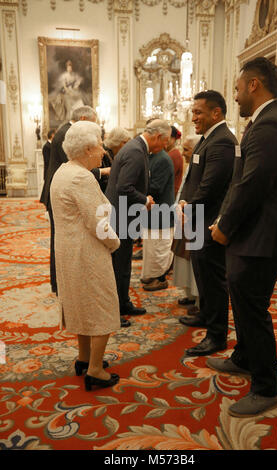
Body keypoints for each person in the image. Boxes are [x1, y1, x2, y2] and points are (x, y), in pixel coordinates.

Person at [209, 57, 277, 417]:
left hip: (262, 235)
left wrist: (225, 226)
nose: (235, 94)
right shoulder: (265, 121)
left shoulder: (272, 124)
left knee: (253, 308)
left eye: (237, 87)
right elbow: (242, 181)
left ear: (253, 85)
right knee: (242, 300)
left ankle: (265, 387)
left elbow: (253, 184)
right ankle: (245, 357)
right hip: (253, 232)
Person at [50, 120, 121, 391]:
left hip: (69, 249)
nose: (103, 150)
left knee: (81, 303)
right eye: (100, 145)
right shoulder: (81, 177)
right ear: (88, 148)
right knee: (102, 306)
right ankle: (95, 370)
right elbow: (98, 223)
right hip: (87, 251)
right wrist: (115, 244)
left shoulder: (63, 171)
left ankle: (83, 358)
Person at [178, 90, 237, 357]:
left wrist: (188, 206)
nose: (193, 118)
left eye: (198, 112)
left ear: (216, 113)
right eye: (193, 112)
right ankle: (205, 314)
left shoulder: (223, 140)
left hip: (209, 221)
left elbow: (212, 185)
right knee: (201, 271)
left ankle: (217, 336)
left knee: (213, 279)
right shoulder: (208, 138)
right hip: (197, 217)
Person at [106, 119, 171, 327]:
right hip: (120, 217)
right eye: (166, 141)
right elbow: (124, 187)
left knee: (124, 264)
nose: (166, 146)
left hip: (124, 216)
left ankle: (124, 304)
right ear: (158, 136)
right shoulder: (135, 151)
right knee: (118, 266)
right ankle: (114, 311)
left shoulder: (136, 147)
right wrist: (145, 199)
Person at [40, 105, 98, 294]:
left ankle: (60, 283)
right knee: (62, 239)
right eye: (92, 124)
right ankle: (61, 283)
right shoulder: (68, 133)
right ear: (82, 118)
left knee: (61, 238)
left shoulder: (65, 129)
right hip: (61, 191)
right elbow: (76, 165)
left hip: (58, 189)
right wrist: (100, 172)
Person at [141, 140, 175, 292]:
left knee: (160, 247)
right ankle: (152, 274)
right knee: (151, 246)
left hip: (161, 211)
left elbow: (156, 187)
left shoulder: (162, 159)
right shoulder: (152, 156)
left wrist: (136, 189)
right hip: (151, 210)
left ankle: (160, 279)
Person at [172, 135, 199, 308]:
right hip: (185, 216)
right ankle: (189, 294)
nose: (183, 153)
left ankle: (198, 300)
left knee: (194, 262)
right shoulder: (191, 165)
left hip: (195, 216)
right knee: (183, 259)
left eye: (187, 149)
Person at [91, 127, 131, 193]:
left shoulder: (115, 154)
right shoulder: (103, 154)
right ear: (116, 141)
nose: (127, 146)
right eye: (124, 142)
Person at [167, 125, 183, 197]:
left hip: (172, 193)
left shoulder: (174, 155)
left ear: (173, 139)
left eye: (167, 137)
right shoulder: (170, 153)